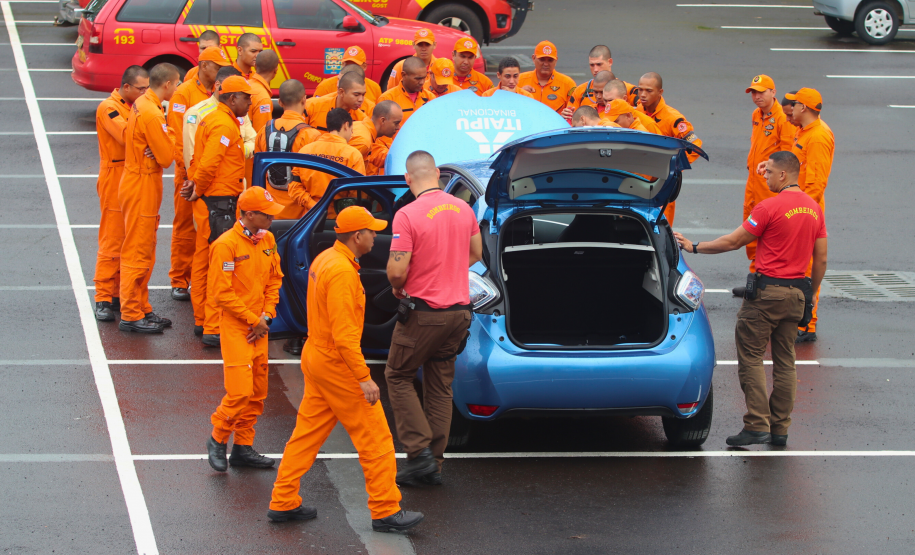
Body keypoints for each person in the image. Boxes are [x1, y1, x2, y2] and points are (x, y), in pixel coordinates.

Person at [268, 206, 424, 533]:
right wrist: (364, 378)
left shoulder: (327, 258)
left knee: (307, 434)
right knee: (376, 436)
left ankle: (283, 500)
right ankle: (385, 510)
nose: (375, 236)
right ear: (357, 236)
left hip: (318, 356)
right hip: (336, 363)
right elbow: (344, 336)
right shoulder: (341, 271)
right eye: (371, 231)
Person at [674, 151, 828, 447]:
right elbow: (820, 259)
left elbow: (734, 241)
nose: (765, 176)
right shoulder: (814, 209)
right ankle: (780, 428)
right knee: (785, 361)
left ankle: (757, 424)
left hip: (767, 294)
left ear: (783, 175)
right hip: (797, 293)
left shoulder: (768, 207)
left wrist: (694, 247)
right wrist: (809, 294)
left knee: (752, 358)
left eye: (769, 172)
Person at [385, 151, 483, 485]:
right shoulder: (464, 209)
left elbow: (397, 271)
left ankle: (419, 453)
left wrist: (402, 285)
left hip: (424, 313)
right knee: (441, 387)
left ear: (408, 179)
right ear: (438, 173)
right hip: (459, 312)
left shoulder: (407, 214)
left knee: (398, 375)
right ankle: (434, 465)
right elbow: (475, 253)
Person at [205, 186, 284, 472]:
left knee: (257, 392)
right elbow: (221, 294)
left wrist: (267, 316)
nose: (272, 219)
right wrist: (254, 320)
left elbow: (275, 279)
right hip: (239, 328)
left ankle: (243, 447)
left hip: (259, 326)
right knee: (239, 391)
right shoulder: (226, 246)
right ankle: (218, 438)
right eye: (267, 215)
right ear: (249, 215)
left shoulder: (268, 239)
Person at [183, 75, 253, 347]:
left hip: (211, 202)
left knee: (203, 262)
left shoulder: (213, 119)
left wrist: (195, 189)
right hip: (219, 203)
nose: (250, 102)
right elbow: (210, 163)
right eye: (246, 97)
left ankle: (203, 320)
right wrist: (197, 188)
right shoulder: (224, 124)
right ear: (232, 98)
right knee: (220, 265)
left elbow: (197, 160)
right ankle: (213, 326)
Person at [117, 63, 180, 333]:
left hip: (140, 181)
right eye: (176, 84)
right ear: (167, 84)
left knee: (145, 247)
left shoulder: (143, 103)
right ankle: (131, 313)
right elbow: (166, 157)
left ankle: (141, 307)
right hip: (142, 183)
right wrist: (166, 144)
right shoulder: (153, 112)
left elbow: (161, 150)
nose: (177, 89)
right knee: (138, 250)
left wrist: (162, 144)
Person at [167, 47, 230, 303]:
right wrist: (187, 174)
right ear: (204, 66)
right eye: (216, 66)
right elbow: (177, 137)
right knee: (184, 227)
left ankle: (197, 277)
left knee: (204, 229)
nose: (220, 71)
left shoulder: (217, 92)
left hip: (207, 175)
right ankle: (178, 279)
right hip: (188, 174)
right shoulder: (184, 94)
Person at [731, 75, 796, 299]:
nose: (757, 97)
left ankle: (762, 282)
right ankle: (754, 279)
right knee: (750, 228)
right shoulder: (756, 115)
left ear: (773, 92)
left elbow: (787, 155)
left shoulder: (782, 118)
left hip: (769, 184)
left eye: (761, 92)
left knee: (766, 232)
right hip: (753, 181)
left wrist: (769, 168)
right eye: (754, 93)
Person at [93, 65, 149, 322]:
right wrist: (150, 139)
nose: (146, 92)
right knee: (112, 239)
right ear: (126, 87)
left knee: (130, 239)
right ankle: (103, 296)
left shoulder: (140, 106)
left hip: (131, 175)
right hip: (115, 175)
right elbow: (128, 136)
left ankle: (117, 292)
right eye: (142, 88)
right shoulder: (109, 107)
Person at [780, 88, 835, 342]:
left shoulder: (819, 137)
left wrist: (798, 213)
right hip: (798, 208)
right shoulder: (803, 131)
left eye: (795, 103)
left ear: (804, 107)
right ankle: (793, 318)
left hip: (804, 213)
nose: (791, 107)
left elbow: (816, 184)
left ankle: (807, 325)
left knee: (807, 269)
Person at [637, 71, 703, 225]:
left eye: (648, 90)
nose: (643, 94)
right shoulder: (635, 112)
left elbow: (695, 147)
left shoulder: (672, 118)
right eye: (640, 89)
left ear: (660, 92)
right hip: (638, 181)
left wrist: (672, 168)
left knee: (660, 228)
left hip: (662, 184)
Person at [256, 79, 321, 220]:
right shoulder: (311, 135)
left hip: (269, 212)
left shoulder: (264, 130)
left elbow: (256, 168)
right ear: (304, 99)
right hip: (300, 217)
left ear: (279, 102)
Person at [182, 67, 257, 179]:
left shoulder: (240, 112)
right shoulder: (196, 114)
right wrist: (196, 185)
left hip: (236, 183)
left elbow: (253, 141)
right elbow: (191, 156)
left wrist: (237, 152)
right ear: (217, 85)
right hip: (210, 186)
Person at [289, 108, 366, 215]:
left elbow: (294, 186)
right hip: (339, 217)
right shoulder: (353, 155)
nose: (351, 135)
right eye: (351, 130)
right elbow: (358, 193)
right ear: (345, 125)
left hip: (310, 217)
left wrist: (313, 205)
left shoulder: (305, 151)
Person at [518, 41, 577, 117]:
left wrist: (568, 115)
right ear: (533, 58)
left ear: (556, 61)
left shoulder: (568, 84)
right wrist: (518, 95)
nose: (546, 64)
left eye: (550, 60)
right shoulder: (519, 80)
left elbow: (575, 113)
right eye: (542, 59)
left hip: (557, 128)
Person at [377, 57, 434, 130]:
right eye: (417, 79)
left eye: (424, 78)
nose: (422, 82)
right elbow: (381, 132)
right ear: (404, 75)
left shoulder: (430, 97)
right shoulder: (387, 99)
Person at [349, 100, 403, 176]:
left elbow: (376, 154)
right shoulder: (363, 141)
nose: (398, 127)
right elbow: (341, 168)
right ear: (383, 120)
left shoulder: (360, 126)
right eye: (396, 123)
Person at [314, 46, 382, 103]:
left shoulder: (374, 88)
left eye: (355, 65)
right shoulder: (325, 86)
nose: (350, 68)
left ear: (364, 67)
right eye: (347, 65)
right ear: (343, 65)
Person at [248, 49, 279, 133]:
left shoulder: (246, 84)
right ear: (276, 69)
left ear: (255, 66)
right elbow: (261, 133)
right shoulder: (263, 98)